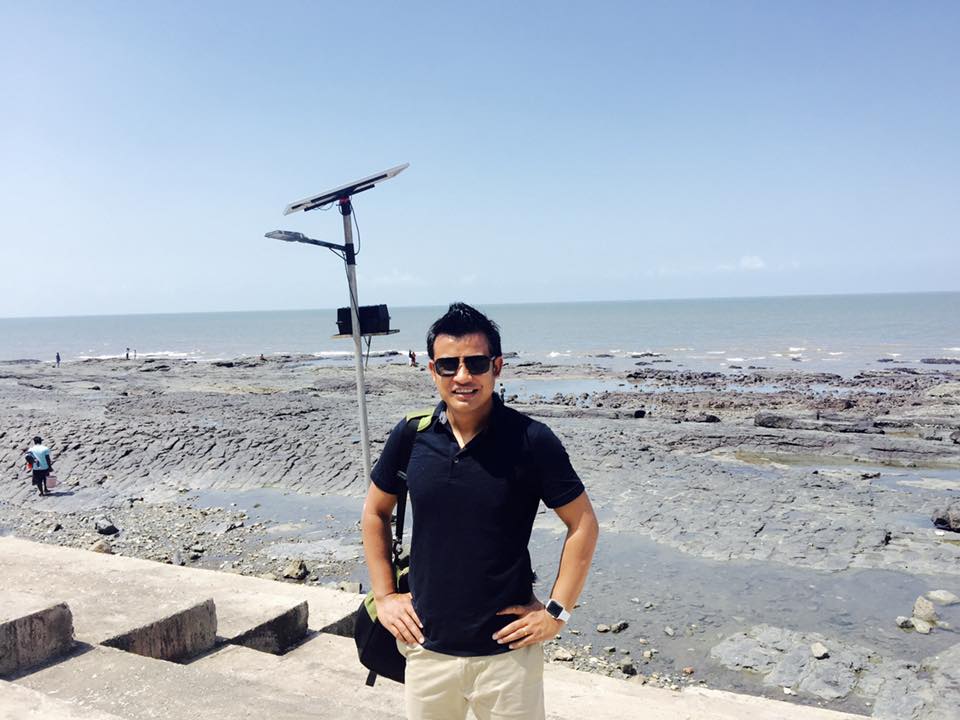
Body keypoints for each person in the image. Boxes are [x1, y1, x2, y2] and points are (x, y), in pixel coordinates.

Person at [362, 302, 598, 720]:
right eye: (449, 365)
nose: (463, 376)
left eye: (475, 363)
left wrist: (557, 612)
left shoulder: (532, 440)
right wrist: (385, 597)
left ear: (497, 366)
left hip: (508, 656)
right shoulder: (411, 436)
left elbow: (582, 523)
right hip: (427, 650)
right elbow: (375, 512)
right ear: (432, 370)